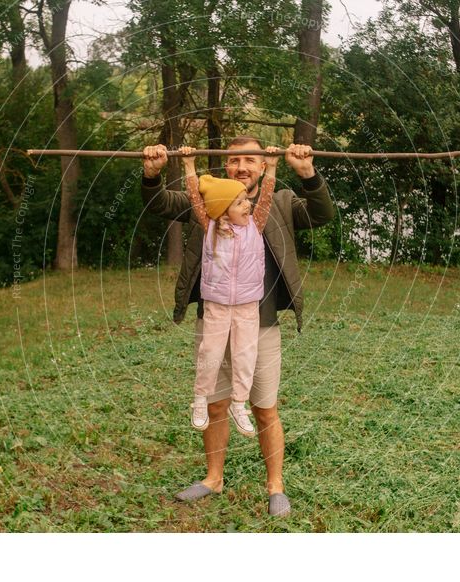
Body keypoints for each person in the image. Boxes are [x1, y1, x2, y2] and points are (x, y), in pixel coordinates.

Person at [141, 137, 334, 516]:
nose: (242, 166)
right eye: (234, 160)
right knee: (215, 404)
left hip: (260, 324)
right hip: (214, 319)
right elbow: (159, 203)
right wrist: (151, 174)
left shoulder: (278, 202)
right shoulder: (212, 198)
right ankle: (213, 478)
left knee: (264, 408)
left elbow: (321, 214)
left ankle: (275, 485)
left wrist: (307, 173)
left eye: (251, 159)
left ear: (264, 166)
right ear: (225, 166)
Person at [179, 145, 278, 437]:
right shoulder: (210, 226)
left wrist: (271, 165)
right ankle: (200, 398)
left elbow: (267, 196)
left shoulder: (255, 226)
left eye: (246, 201)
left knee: (245, 356)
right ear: (223, 210)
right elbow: (196, 196)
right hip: (217, 306)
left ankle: (239, 403)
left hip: (248, 306)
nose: (247, 206)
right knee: (210, 353)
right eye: (239, 203)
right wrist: (188, 165)